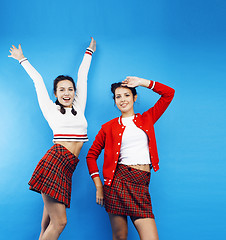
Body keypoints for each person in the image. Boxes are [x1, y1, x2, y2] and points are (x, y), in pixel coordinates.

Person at [8, 38, 96, 240]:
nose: (67, 92)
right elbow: (38, 80)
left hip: (69, 167)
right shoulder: (51, 109)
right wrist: (22, 59)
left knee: (47, 221)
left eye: (70, 89)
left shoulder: (79, 107)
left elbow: (83, 76)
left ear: (75, 92)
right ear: (55, 93)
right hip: (55, 161)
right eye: (62, 89)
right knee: (60, 222)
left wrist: (89, 51)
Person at [86, 76, 175, 240]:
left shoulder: (147, 118)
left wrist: (142, 82)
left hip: (141, 183)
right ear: (114, 101)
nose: (122, 100)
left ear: (135, 97)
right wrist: (99, 186)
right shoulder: (108, 127)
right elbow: (91, 156)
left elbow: (169, 93)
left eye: (126, 95)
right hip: (117, 182)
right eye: (118, 96)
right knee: (120, 236)